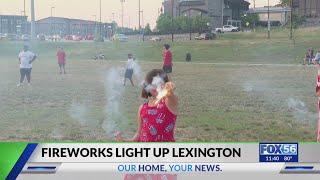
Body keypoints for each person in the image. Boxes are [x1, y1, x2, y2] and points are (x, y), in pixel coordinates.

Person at [116, 69, 178, 142]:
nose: (155, 86)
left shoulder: (168, 102)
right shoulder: (142, 108)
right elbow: (139, 133)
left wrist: (169, 90)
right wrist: (125, 141)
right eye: (152, 83)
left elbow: (172, 97)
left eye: (159, 83)